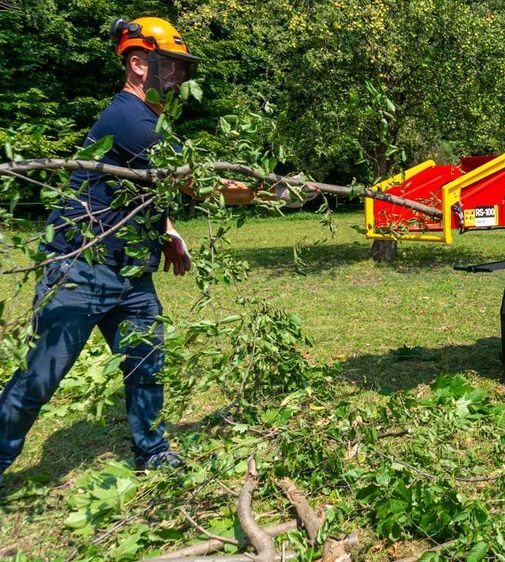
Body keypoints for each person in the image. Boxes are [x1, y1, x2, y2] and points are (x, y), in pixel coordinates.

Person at [0, 17, 317, 483]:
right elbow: (197, 185)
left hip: (129, 272)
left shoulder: (148, 122)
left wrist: (166, 231)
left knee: (146, 363)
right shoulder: (129, 120)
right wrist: (274, 193)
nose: (177, 80)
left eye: (181, 71)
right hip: (80, 270)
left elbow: (135, 192)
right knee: (38, 381)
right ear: (138, 63)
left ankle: (151, 451)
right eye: (169, 67)